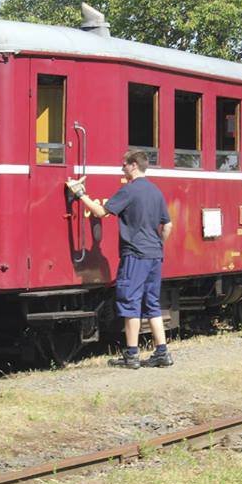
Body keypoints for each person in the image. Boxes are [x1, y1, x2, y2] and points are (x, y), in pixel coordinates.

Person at [66, 150, 173, 370]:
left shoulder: (129, 191)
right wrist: (158, 245)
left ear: (134, 165)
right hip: (154, 255)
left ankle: (132, 355)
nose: (121, 168)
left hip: (135, 255)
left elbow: (100, 212)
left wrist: (79, 193)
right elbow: (168, 225)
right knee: (152, 304)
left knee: (130, 302)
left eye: (124, 165)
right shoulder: (156, 191)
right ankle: (162, 353)